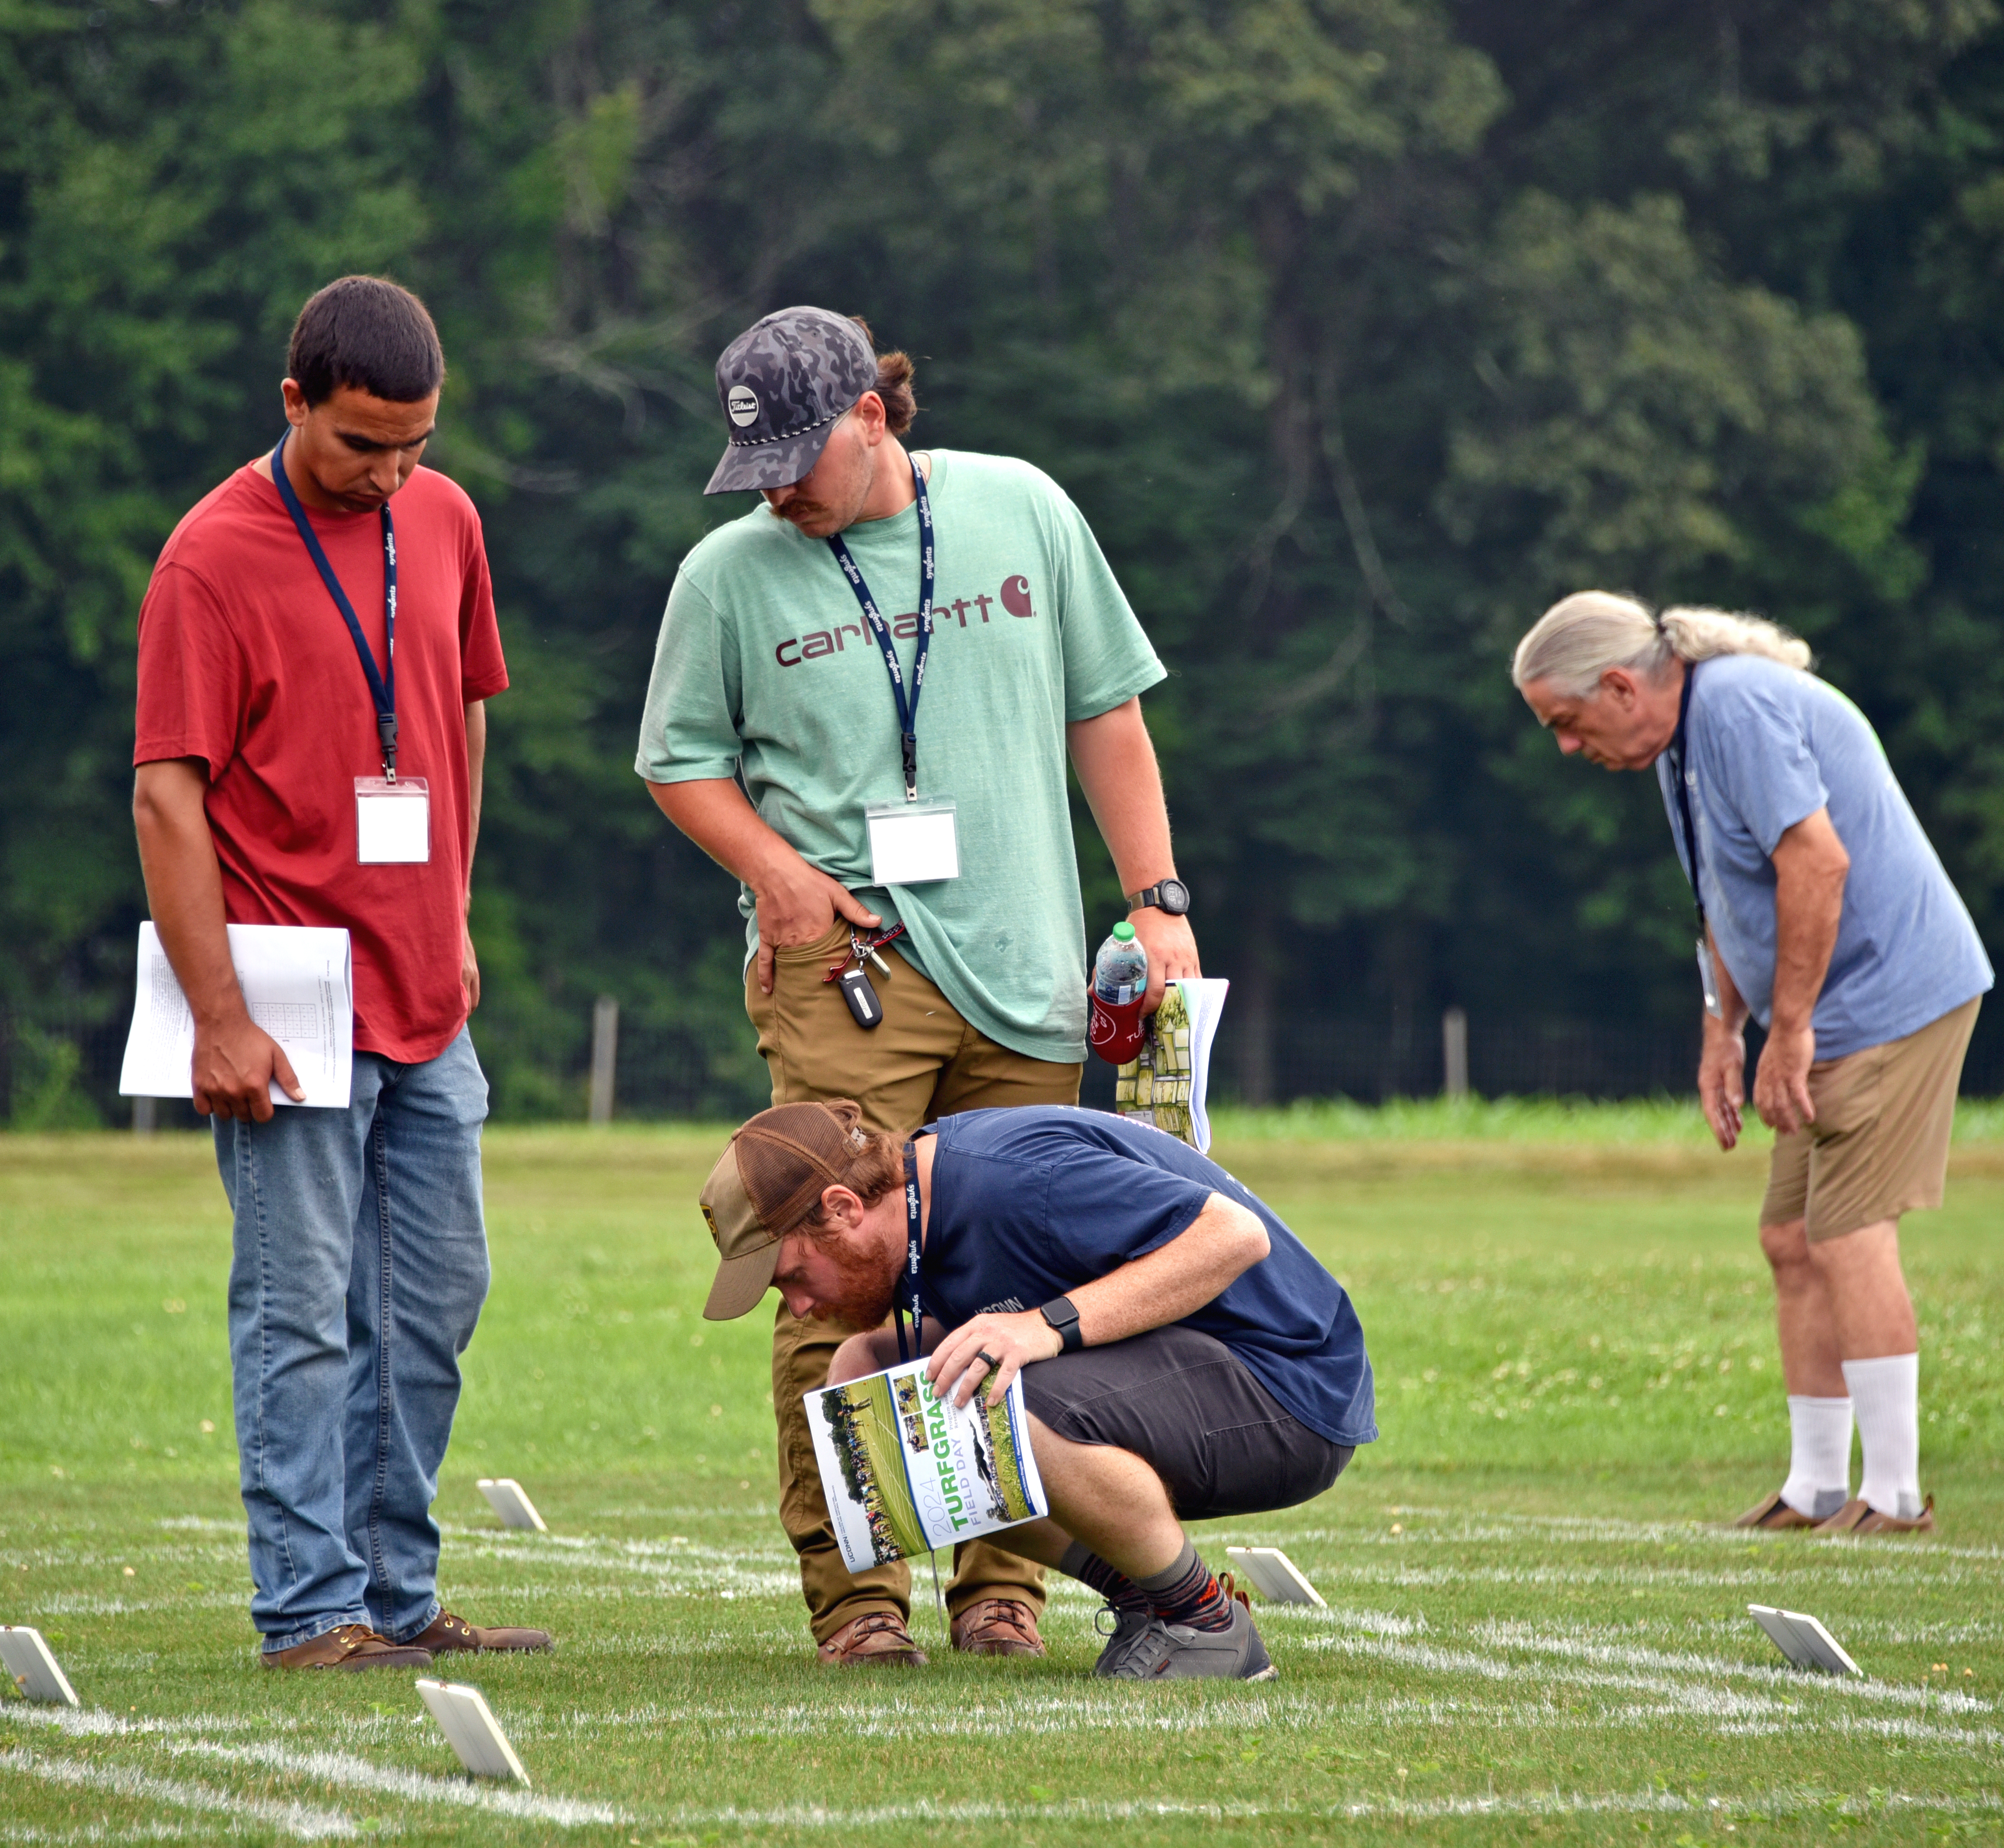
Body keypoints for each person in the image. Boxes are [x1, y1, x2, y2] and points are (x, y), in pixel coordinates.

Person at [636, 307, 1202, 1666]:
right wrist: (772, 871)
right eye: (753, 465)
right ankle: (858, 1595)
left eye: (798, 457)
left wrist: (1157, 900)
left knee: (1017, 1275)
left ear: (875, 418)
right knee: (828, 1278)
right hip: (849, 972)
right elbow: (678, 763)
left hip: (1024, 966)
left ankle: (1003, 1583)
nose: (777, 488)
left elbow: (1106, 713)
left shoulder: (1024, 508)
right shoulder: (728, 575)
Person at [132, 275, 549, 1669]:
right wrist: (220, 1015)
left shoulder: (445, 520)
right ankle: (311, 1610)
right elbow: (167, 799)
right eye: (361, 445)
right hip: (289, 997)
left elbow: (462, 721)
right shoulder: (210, 558)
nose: (390, 474)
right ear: (294, 401)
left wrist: (458, 914)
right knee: (302, 1312)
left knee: (436, 1297)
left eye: (415, 445)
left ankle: (397, 1594)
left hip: (428, 995)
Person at [1511, 591, 1993, 1536]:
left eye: (1566, 724)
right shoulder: (1674, 741)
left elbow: (1814, 865)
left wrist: (1791, 1028)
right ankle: (1814, 1488)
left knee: (1845, 1233)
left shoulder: (1733, 705)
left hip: (1890, 996)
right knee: (1788, 1237)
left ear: (1617, 685)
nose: (1567, 748)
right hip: (1818, 1009)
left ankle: (1892, 1497)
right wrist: (1719, 1031)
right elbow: (1724, 900)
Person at [693, 1101, 1373, 1679]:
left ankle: (1202, 1623)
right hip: (1206, 1371)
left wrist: (1043, 1329)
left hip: (1291, 1390)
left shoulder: (1013, 1180)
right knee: (861, 1375)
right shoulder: (918, 1204)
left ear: (842, 1208)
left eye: (794, 1277)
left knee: (1006, 1394)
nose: (801, 1308)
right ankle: (1145, 1598)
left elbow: (1234, 1236)